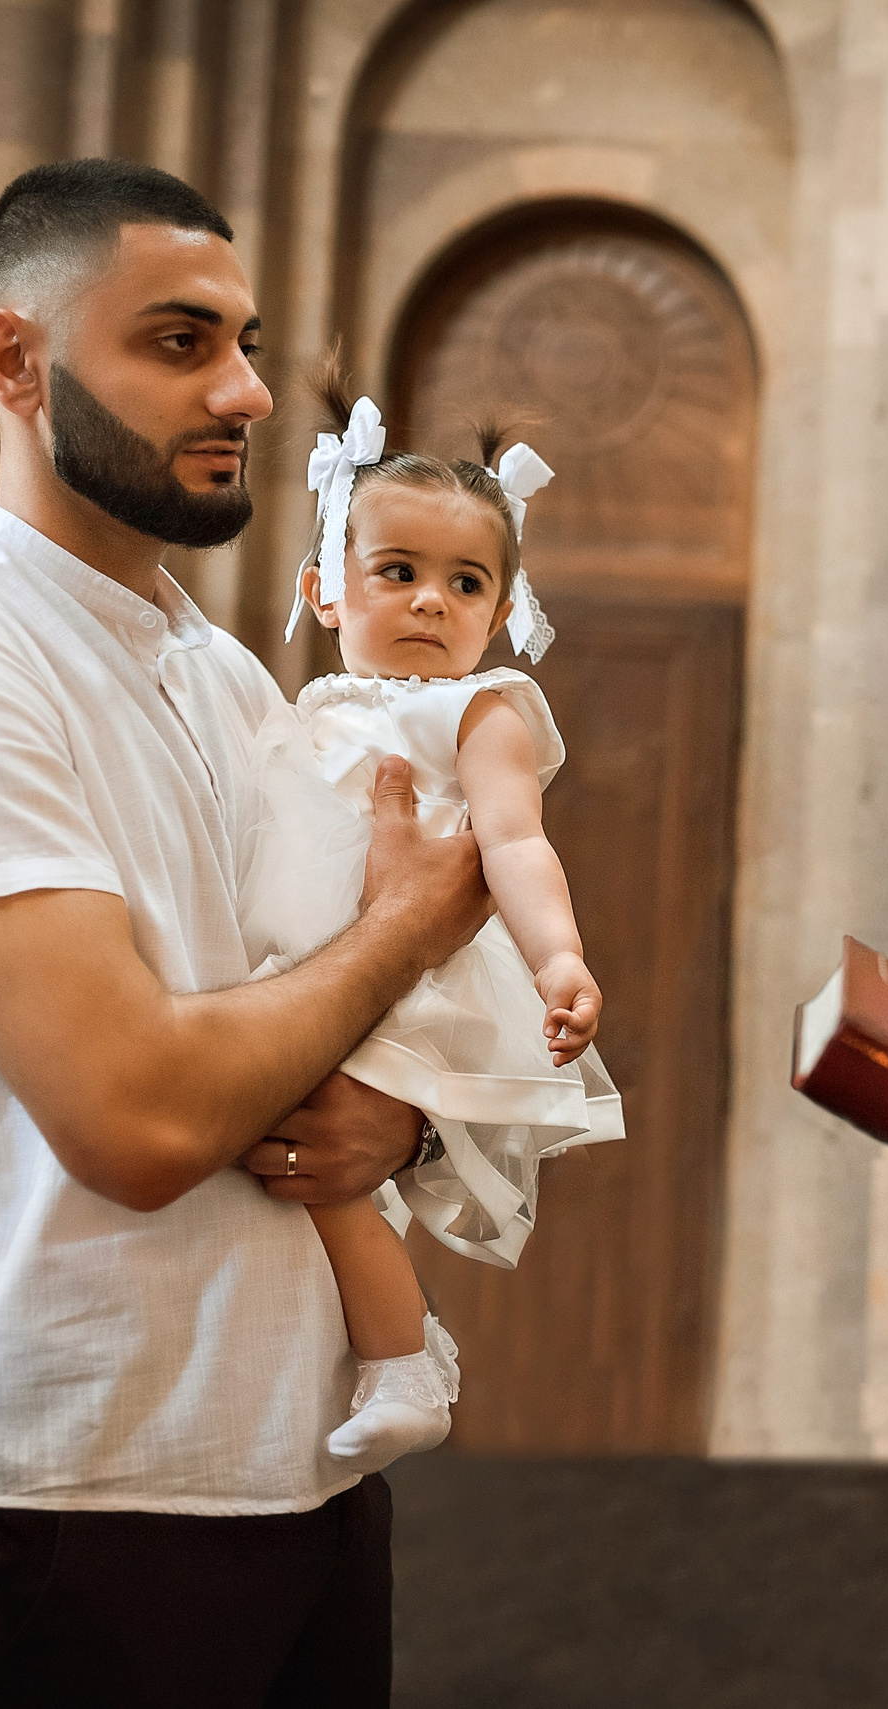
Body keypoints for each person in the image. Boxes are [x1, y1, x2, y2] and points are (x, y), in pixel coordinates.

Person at [0, 158, 494, 1708]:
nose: (247, 391)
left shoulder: (227, 673)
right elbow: (138, 1115)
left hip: (308, 1461)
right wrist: (408, 928)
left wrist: (400, 1121)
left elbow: (329, 1017)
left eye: (245, 344)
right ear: (17, 362)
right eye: (179, 343)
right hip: (76, 1484)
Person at [241, 370, 624, 1471]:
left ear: (500, 616)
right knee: (304, 1168)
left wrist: (560, 956)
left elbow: (515, 842)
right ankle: (387, 1349)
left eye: (465, 583)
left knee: (322, 1161)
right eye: (397, 571)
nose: (428, 602)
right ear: (324, 590)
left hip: (415, 977)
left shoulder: (477, 711)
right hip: (307, 963)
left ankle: (403, 1360)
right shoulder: (300, 709)